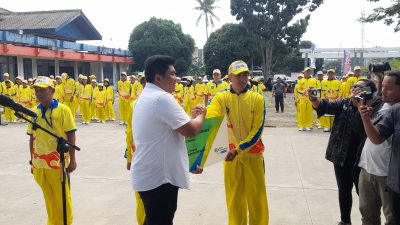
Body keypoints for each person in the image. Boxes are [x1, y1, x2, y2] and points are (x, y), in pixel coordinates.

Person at [131, 55, 205, 225]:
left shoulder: (146, 96)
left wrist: (192, 117)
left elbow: (172, 130)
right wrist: (201, 116)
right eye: (172, 74)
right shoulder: (161, 98)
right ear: (158, 77)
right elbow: (191, 130)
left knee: (153, 220)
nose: (176, 79)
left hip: (150, 176)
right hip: (160, 181)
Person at [309, 78, 382, 225]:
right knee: (343, 189)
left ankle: (370, 220)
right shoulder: (344, 103)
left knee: (364, 193)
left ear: (369, 93)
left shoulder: (374, 108)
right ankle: (345, 221)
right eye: (355, 86)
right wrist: (314, 99)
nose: (356, 89)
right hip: (340, 155)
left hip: (361, 160)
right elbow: (324, 106)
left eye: (361, 88)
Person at [206, 60, 268, 225]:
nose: (243, 79)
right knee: (234, 198)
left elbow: (257, 131)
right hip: (230, 157)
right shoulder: (221, 97)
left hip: (253, 155)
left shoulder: (257, 99)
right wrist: (201, 114)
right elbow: (211, 115)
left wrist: (238, 149)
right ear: (229, 78)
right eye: (238, 75)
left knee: (257, 199)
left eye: (245, 75)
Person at [27, 76, 77, 225]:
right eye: (36, 90)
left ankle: (65, 222)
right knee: (49, 198)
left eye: (42, 90)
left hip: (58, 163)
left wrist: (73, 160)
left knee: (62, 197)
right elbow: (31, 138)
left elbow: (71, 136)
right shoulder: (33, 112)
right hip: (39, 164)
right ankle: (53, 222)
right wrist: (32, 161)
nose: (38, 93)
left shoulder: (63, 110)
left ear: (52, 90)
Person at [359, 71, 400, 224]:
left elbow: (376, 138)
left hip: (388, 176)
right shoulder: (380, 104)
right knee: (368, 216)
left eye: (388, 88)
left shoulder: (395, 110)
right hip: (367, 169)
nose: (383, 91)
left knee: (392, 219)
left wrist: (366, 120)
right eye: (382, 86)